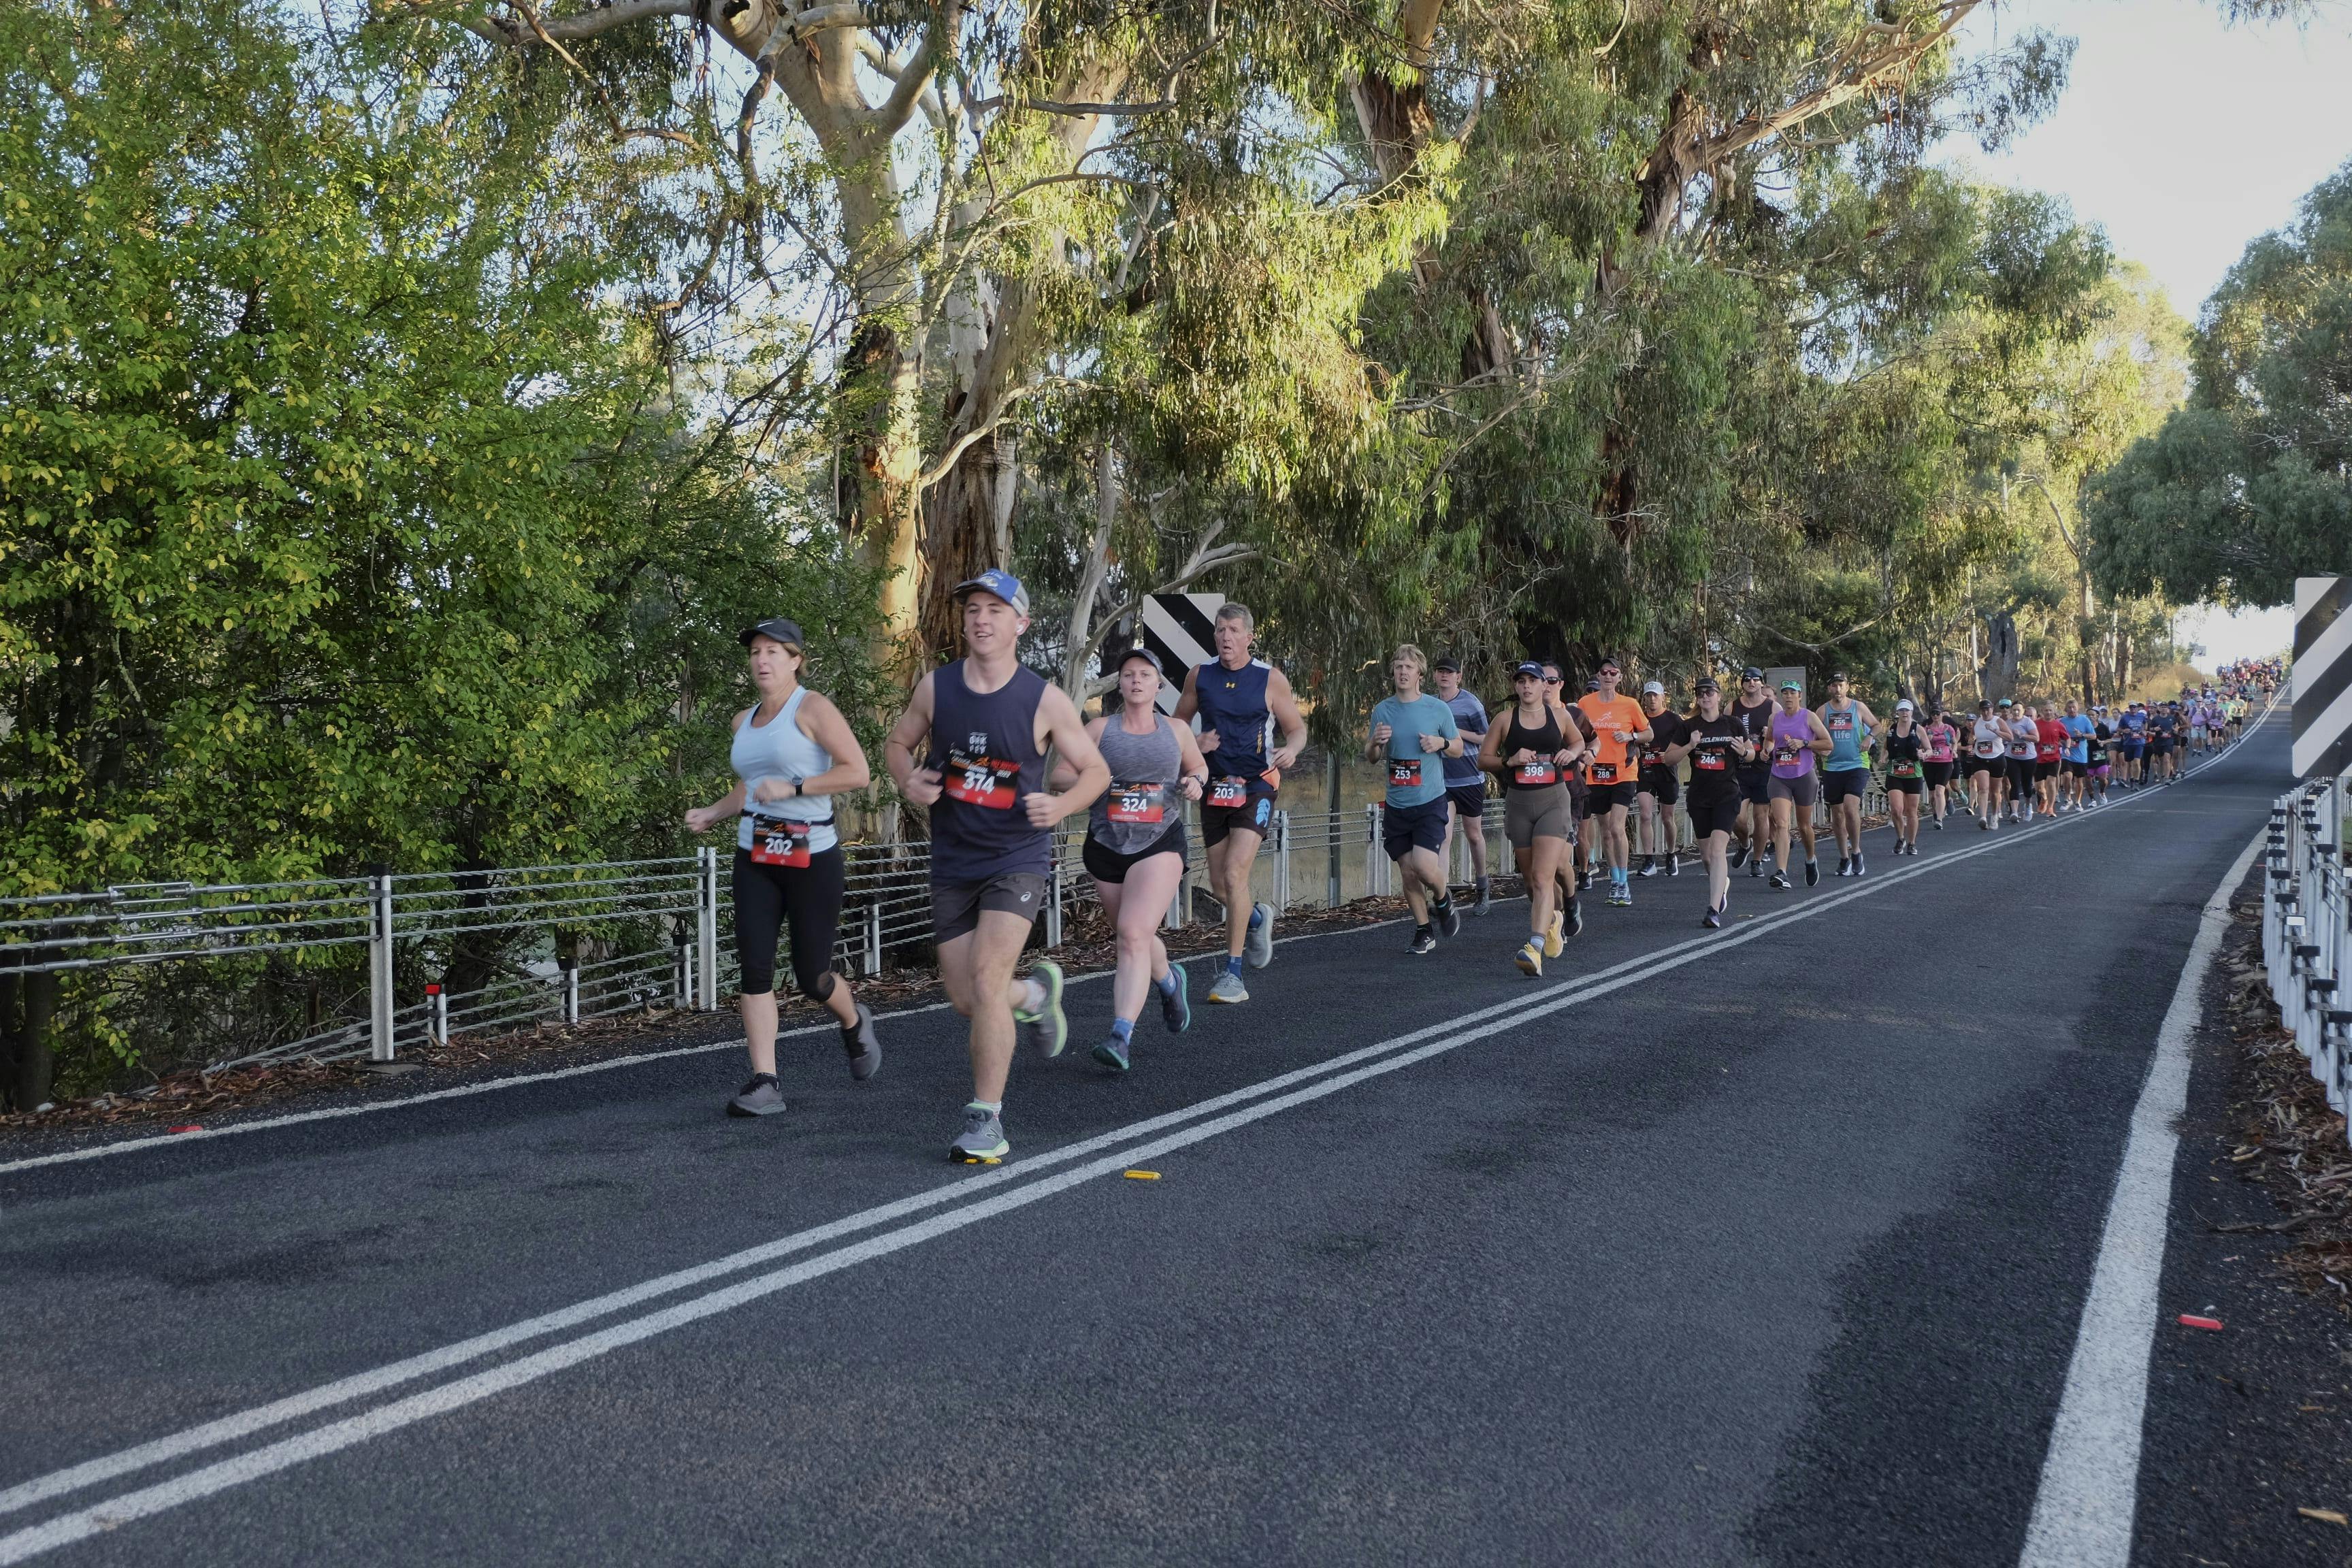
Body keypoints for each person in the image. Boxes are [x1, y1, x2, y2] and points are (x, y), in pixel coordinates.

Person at [883, 570, 1109, 1164]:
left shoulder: (1045, 700)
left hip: (1017, 860)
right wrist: (909, 780)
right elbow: (897, 743)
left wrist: (1060, 805)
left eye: (994, 609)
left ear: (1020, 624)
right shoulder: (937, 689)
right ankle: (1035, 994)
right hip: (953, 862)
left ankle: (985, 1119)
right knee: (966, 998)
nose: (980, 619)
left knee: (985, 981)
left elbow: (1097, 772)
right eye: (973, 610)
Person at [687, 618, 884, 1118]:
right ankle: (765, 1081)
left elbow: (856, 772)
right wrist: (713, 811)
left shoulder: (812, 708)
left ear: (796, 660)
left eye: (774, 651)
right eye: (755, 651)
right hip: (755, 856)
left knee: (811, 976)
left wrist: (795, 789)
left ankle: (854, 1021)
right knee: (754, 968)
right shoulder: (742, 721)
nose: (762, 660)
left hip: (811, 858)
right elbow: (749, 785)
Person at [1054, 647, 1205, 1073]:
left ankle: (1121, 1035)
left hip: (1159, 841)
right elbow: (1061, 775)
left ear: (1159, 683)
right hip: (1106, 844)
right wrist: (1100, 777)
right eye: (1128, 675)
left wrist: (1193, 782)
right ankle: (1169, 981)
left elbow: (1198, 768)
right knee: (1134, 937)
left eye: (1145, 674)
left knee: (1133, 933)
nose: (1136, 680)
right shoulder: (1100, 728)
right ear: (1119, 684)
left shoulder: (1176, 729)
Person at [1173, 603, 1309, 1006]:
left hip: (1257, 786)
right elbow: (1177, 727)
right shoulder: (1200, 676)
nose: (1226, 637)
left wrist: (1293, 750)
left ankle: (1233, 975)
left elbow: (1297, 728)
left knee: (1234, 876)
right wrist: (1193, 745)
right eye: (1220, 630)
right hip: (1212, 787)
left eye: (1234, 630)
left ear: (1250, 636)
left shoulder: (1270, 679)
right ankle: (1255, 918)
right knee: (1220, 886)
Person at [1481, 661, 1583, 974]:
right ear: (1516, 687)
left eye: (1533, 681)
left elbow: (1578, 740)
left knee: (1542, 876)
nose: (1527, 686)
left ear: (1544, 686)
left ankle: (1534, 947)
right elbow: (1483, 760)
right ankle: (1552, 919)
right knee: (1530, 881)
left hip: (1554, 802)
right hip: (1519, 804)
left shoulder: (1560, 716)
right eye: (1521, 681)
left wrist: (1572, 753)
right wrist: (1509, 760)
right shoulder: (1504, 720)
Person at [1369, 644, 1464, 954]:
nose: (1403, 672)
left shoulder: (1437, 709)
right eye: (1398, 667)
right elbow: (1372, 757)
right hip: (1397, 804)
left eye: (1408, 667)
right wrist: (1375, 743)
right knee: (1408, 872)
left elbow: (1459, 748)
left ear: (1420, 674)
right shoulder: (1383, 710)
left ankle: (1443, 896)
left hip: (1430, 801)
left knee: (1424, 866)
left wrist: (1442, 742)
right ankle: (1424, 931)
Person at [1663, 676, 1754, 927]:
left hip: (1727, 794)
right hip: (1699, 796)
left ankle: (1713, 910)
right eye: (1701, 693)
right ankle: (1721, 885)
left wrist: (1743, 752)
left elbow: (1751, 754)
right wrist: (1690, 746)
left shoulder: (1733, 724)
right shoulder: (1688, 727)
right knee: (1706, 858)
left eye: (1710, 692)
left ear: (1718, 695)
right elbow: (1669, 759)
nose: (1705, 696)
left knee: (1717, 850)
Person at [1577, 658, 1654, 906]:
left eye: (1613, 673)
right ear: (1598, 676)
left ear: (1620, 677)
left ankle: (1624, 884)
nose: (1608, 676)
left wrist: (1631, 735)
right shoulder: (1585, 703)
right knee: (1605, 831)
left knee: (1617, 828)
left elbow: (1649, 733)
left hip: (1624, 773)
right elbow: (1576, 734)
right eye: (1604, 672)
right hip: (1596, 773)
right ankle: (1615, 878)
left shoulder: (1629, 704)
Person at [1433, 656, 1494, 914]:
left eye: (1450, 672)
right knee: (1443, 837)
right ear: (1434, 676)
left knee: (1473, 834)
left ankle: (1482, 886)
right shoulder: (1430, 704)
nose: (1445, 676)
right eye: (1440, 672)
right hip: (1442, 781)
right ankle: (1442, 897)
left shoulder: (1471, 703)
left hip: (1469, 778)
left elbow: (1486, 737)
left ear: (1459, 676)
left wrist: (1454, 734)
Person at [1765, 679, 1831, 889]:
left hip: (1803, 776)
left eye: (1793, 693)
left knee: (1804, 826)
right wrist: (1766, 750)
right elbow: (1769, 739)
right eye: (1785, 693)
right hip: (1779, 776)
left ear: (1799, 696)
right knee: (1782, 823)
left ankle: (1811, 859)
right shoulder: (1775, 718)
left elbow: (1828, 744)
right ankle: (1782, 872)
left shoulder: (1808, 717)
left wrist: (1805, 743)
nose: (1788, 696)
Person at [1540, 660, 1589, 942]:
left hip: (1569, 795)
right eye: (1541, 680)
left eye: (1552, 681)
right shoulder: (1524, 717)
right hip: (1536, 797)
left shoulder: (1574, 715)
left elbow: (1591, 741)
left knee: (1558, 863)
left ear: (1561, 684)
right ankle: (1554, 920)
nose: (1546, 685)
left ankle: (1570, 904)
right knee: (1541, 870)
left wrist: (1584, 753)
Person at [1816, 672, 1879, 877]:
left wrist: (1869, 737)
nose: (1837, 689)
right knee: (1837, 814)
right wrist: (1819, 750)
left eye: (1841, 685)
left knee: (1851, 808)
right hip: (1832, 767)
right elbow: (1809, 736)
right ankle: (1844, 857)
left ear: (1848, 687)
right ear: (1829, 689)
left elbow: (1877, 725)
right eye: (1833, 685)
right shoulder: (1822, 711)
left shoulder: (1858, 707)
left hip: (1857, 764)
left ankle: (1857, 852)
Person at [1728, 667, 1778, 879]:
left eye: (1756, 680)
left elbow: (1784, 735)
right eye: (1747, 679)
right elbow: (1722, 730)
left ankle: (1757, 860)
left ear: (1761, 683)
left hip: (1764, 769)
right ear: (1742, 683)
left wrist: (1772, 734)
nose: (1751, 683)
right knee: (1736, 817)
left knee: (1760, 817)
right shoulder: (1733, 706)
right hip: (1739, 769)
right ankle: (1745, 843)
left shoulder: (1772, 706)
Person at [1635, 680, 1688, 879]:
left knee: (1667, 818)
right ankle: (1649, 860)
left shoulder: (1674, 720)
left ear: (1663, 697)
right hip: (1646, 772)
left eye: (1655, 695)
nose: (1652, 699)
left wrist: (1674, 755)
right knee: (1645, 814)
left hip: (1667, 773)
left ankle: (1671, 854)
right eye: (1648, 696)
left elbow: (1686, 744)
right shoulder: (1640, 719)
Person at [1882, 698, 1925, 855]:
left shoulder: (1918, 729)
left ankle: (1912, 843)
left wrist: (1923, 754)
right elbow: (1886, 748)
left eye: (1907, 710)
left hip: (1913, 773)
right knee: (1896, 809)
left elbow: (1929, 749)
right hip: (1895, 773)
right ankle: (1901, 838)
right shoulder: (1892, 729)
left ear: (1911, 712)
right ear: (1898, 712)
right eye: (1902, 710)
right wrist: (1883, 756)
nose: (1905, 713)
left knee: (1911, 811)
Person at [1966, 699, 2005, 830]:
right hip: (1981, 758)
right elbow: (1971, 737)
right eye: (1983, 710)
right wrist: (1972, 740)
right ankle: (1982, 817)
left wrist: (1996, 731)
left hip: (1997, 758)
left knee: (1995, 792)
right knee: (1983, 789)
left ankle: (1994, 815)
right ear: (1980, 711)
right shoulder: (1977, 722)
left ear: (1992, 710)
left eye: (1988, 709)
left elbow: (2009, 737)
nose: (1986, 712)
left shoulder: (1998, 721)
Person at [2000, 698, 2038, 822]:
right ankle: (2014, 812)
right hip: (2012, 757)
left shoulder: (2028, 722)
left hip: (2028, 757)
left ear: (2023, 711)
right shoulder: (2007, 723)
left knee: (2027, 785)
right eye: (2014, 710)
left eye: (2018, 710)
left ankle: (2028, 805)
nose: (2016, 712)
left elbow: (2036, 738)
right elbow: (2004, 739)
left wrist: (2022, 735)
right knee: (2014, 784)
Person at [1922, 704, 1959, 828]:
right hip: (1930, 762)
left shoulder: (1948, 728)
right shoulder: (1926, 729)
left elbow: (1954, 742)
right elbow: (1920, 746)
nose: (1936, 716)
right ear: (1931, 716)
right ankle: (1935, 813)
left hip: (1945, 762)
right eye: (1933, 714)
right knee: (1932, 795)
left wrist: (1954, 751)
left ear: (1942, 715)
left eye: (1938, 714)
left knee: (1940, 791)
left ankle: (1939, 819)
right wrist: (1927, 740)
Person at [2059, 698, 2095, 812]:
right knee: (2067, 776)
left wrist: (2082, 735)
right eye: (2069, 708)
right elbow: (2057, 736)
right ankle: (2067, 798)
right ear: (2066, 709)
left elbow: (2093, 736)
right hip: (2067, 753)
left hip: (2081, 755)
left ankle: (2078, 802)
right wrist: (2063, 742)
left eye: (2074, 707)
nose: (2072, 710)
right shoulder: (2062, 721)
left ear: (2077, 708)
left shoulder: (2084, 720)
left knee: (2079, 781)